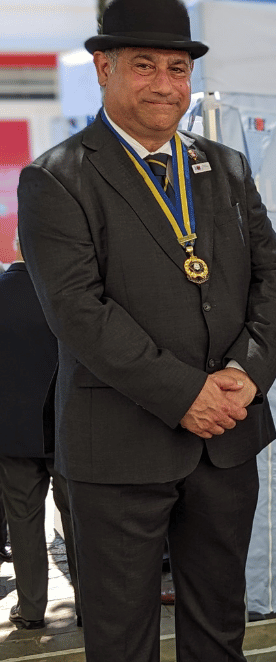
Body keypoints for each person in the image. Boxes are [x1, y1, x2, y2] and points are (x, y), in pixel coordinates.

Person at [16, 0, 276, 659]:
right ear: (103, 67)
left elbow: (274, 278)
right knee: (121, 641)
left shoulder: (226, 167)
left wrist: (242, 377)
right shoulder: (55, 178)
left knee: (220, 633)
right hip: (117, 451)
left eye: (178, 67)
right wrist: (186, 396)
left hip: (226, 442)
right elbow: (80, 313)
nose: (167, 85)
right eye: (145, 66)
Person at [0, 240, 80, 630]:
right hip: (66, 428)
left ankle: (31, 610)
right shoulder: (65, 296)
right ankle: (89, 605)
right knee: (79, 520)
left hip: (11, 434)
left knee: (23, 522)